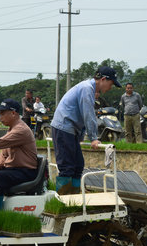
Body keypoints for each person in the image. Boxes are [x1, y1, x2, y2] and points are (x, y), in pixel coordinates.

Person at [51, 65, 121, 194]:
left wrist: (81, 135)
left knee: (78, 166)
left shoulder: (88, 88)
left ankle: (76, 196)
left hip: (71, 130)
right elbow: (88, 114)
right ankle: (64, 199)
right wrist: (94, 138)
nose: (110, 88)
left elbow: (82, 114)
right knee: (67, 167)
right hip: (63, 128)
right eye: (111, 84)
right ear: (104, 79)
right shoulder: (87, 88)